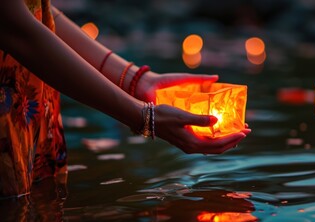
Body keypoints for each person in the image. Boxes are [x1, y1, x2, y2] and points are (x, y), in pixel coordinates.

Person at [0, 0, 250, 198]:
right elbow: (14, 26)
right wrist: (143, 116)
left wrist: (137, 81)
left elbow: (40, 11)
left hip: (28, 114)